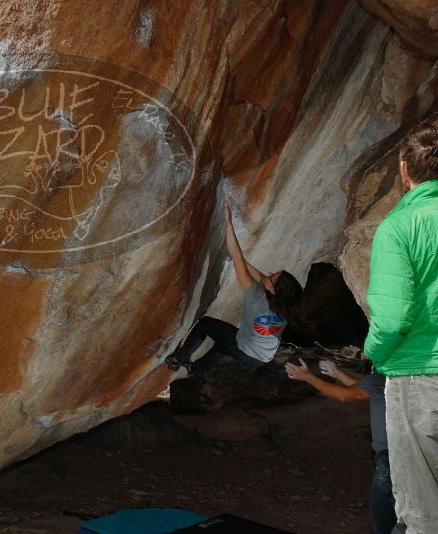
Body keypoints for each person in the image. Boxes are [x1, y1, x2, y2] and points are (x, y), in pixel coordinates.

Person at [363, 123, 438, 534]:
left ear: (404, 167)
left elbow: (393, 319)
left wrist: (373, 353)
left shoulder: (400, 226)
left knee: (422, 514)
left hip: (420, 373)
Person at [164, 200, 310, 380]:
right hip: (263, 358)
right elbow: (260, 277)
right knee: (224, 342)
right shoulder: (286, 304)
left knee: (207, 324)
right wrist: (242, 262)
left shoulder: (256, 298)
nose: (269, 273)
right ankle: (197, 369)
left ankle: (178, 359)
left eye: (272, 277)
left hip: (246, 349)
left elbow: (236, 254)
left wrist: (228, 224)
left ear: (273, 289)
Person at [286, 358, 395, 534]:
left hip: (390, 457)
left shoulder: (385, 376)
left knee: (382, 520)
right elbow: (364, 389)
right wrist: (337, 374)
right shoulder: (406, 375)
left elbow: (346, 395)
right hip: (410, 450)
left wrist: (307, 377)